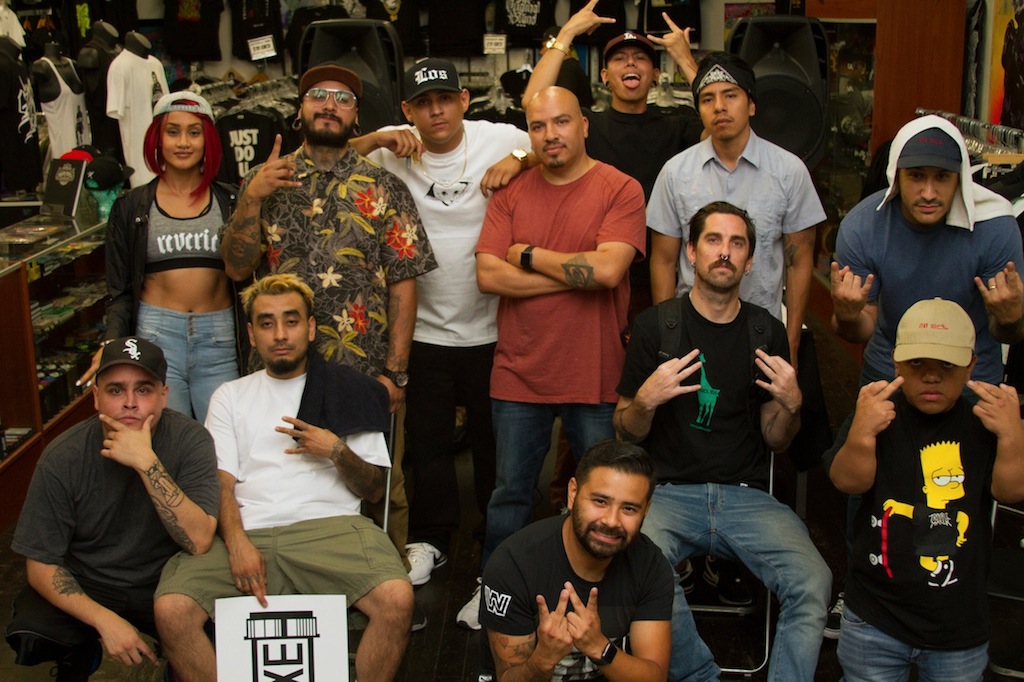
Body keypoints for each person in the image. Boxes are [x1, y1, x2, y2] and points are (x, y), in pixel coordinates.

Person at [218, 61, 438, 590]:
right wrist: (252, 198)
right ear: (300, 110)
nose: (329, 105)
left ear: (356, 116)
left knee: (380, 484)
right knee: (283, 477)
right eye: (318, 94)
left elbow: (404, 281)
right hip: (280, 371)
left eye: (342, 99)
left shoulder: (384, 186)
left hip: (363, 368)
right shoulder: (266, 182)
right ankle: (290, 589)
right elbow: (236, 267)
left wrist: (396, 373)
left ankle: (387, 594)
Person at [153, 274, 413, 682]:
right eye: (267, 323)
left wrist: (336, 451)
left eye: (291, 322)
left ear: (309, 328)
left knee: (397, 598)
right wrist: (237, 542)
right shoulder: (230, 396)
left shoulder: (348, 389)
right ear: (251, 334)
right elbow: (221, 483)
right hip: (249, 530)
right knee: (171, 609)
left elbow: (375, 491)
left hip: (332, 529)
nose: (280, 334)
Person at [614, 201, 831, 681]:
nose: (725, 252)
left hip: (746, 497)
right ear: (691, 252)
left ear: (750, 261)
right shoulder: (656, 326)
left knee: (814, 581)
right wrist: (645, 400)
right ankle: (700, 676)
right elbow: (625, 431)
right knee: (640, 563)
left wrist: (793, 406)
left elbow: (776, 440)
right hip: (667, 494)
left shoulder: (765, 331)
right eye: (713, 240)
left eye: (737, 243)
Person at [350, 58, 530, 594]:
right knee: (427, 444)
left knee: (494, 443)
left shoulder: (499, 137)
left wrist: (520, 158)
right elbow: (327, 159)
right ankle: (430, 538)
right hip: (424, 330)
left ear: (464, 101)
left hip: (493, 327)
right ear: (409, 110)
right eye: (424, 103)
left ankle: (495, 541)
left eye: (446, 99)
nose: (437, 111)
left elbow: (553, 141)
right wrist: (378, 136)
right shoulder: (392, 146)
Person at [472, 85, 646, 625]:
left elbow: (609, 271)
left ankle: (603, 602)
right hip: (518, 372)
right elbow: (488, 275)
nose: (550, 134)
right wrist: (576, 274)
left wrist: (526, 255)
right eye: (538, 125)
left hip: (595, 373)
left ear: (584, 125)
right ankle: (494, 597)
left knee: (602, 499)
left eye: (562, 122)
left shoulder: (620, 188)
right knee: (509, 497)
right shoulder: (511, 193)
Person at [824, 298, 1024, 681]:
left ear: (971, 366)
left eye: (946, 365)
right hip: (875, 618)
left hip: (958, 625)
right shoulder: (876, 413)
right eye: (917, 363)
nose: (931, 376)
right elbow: (847, 481)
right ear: (896, 363)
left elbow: (1011, 492)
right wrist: (862, 434)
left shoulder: (983, 425)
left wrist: (1013, 437)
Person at [5, 338, 219, 680]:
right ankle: (79, 653)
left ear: (164, 395)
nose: (130, 403)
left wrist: (147, 463)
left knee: (217, 636)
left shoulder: (190, 440)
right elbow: (41, 563)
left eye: (143, 390)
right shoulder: (63, 456)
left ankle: (176, 665)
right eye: (116, 390)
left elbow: (199, 541)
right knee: (33, 630)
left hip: (166, 578)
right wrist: (104, 620)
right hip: (91, 580)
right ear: (95, 397)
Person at [647, 51, 825, 365]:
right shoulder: (675, 173)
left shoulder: (789, 171)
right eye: (707, 99)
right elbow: (663, 260)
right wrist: (667, 339)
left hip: (763, 337)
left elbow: (799, 262)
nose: (719, 106)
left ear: (751, 104)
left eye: (730, 95)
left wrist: (791, 343)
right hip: (691, 337)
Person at [831, 114, 1024, 387]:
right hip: (891, 372)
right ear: (896, 176)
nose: (929, 193)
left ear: (960, 178)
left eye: (942, 177)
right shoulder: (862, 227)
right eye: (916, 176)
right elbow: (862, 327)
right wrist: (847, 315)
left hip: (972, 377)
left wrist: (1011, 318)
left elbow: (1007, 332)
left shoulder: (995, 227)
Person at [82, 91, 239, 425]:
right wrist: (111, 341)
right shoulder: (131, 206)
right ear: (157, 138)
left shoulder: (231, 202)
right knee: (167, 440)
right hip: (157, 335)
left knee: (224, 439)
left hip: (220, 338)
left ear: (208, 141)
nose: (183, 142)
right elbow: (119, 290)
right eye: (173, 131)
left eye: (194, 132)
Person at [481, 440, 673, 681]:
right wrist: (543, 658)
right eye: (600, 501)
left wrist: (598, 647)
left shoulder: (650, 566)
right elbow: (507, 677)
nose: (611, 521)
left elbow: (654, 677)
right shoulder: (513, 565)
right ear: (573, 493)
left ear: (646, 510)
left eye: (629, 509)